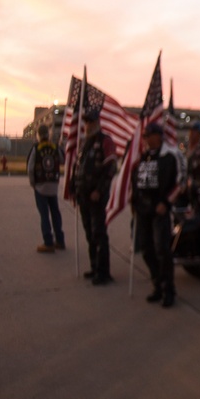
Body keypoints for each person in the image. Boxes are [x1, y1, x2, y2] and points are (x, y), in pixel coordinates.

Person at [132, 122, 181, 307]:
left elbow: (179, 182)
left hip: (160, 211)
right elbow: (135, 182)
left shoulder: (169, 157)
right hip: (143, 211)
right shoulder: (143, 158)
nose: (146, 139)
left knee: (162, 249)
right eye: (144, 136)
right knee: (146, 249)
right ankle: (157, 284)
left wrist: (167, 202)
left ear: (159, 136)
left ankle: (169, 290)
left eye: (149, 135)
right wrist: (134, 201)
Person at [74, 109, 118, 285]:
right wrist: (73, 186)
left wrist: (99, 190)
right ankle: (94, 267)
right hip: (84, 196)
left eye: (91, 122)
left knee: (99, 233)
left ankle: (104, 272)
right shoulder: (84, 144)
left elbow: (111, 168)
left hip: (97, 197)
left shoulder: (105, 141)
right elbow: (78, 168)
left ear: (98, 123)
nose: (88, 125)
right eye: (86, 122)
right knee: (89, 234)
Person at [27, 124, 65, 253]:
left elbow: (31, 168)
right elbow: (62, 159)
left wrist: (33, 183)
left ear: (38, 135)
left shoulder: (36, 148)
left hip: (40, 186)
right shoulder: (54, 147)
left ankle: (48, 242)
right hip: (53, 186)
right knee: (55, 213)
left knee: (44, 215)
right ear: (48, 134)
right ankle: (60, 240)